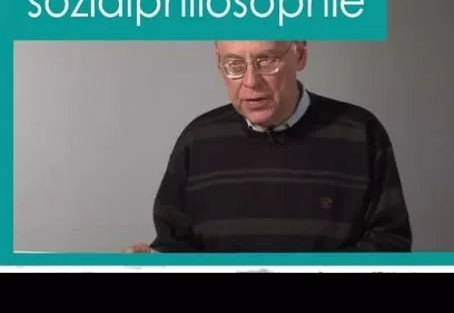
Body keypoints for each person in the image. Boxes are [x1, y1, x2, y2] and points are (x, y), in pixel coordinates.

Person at [124, 40, 412, 253]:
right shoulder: (196, 139)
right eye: (235, 65)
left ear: (299, 54)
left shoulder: (360, 133)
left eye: (266, 61)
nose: (251, 82)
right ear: (219, 61)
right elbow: (175, 245)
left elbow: (389, 245)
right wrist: (156, 261)